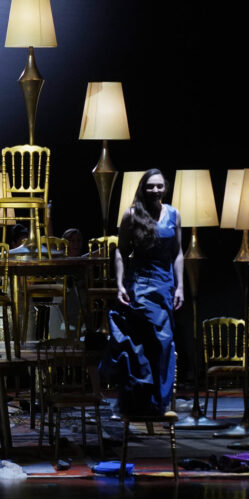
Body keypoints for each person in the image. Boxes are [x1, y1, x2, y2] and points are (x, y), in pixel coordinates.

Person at [100, 169, 184, 416]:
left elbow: (178, 252)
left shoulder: (174, 214)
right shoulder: (132, 215)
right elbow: (121, 251)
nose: (155, 190)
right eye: (150, 186)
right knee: (142, 344)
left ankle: (159, 402)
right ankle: (141, 401)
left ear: (165, 187)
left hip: (165, 284)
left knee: (164, 343)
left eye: (159, 186)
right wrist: (120, 284)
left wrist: (180, 286)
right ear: (143, 188)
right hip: (141, 283)